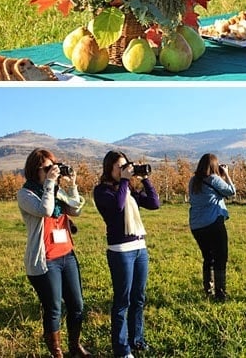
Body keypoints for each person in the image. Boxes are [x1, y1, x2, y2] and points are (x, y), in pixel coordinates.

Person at [16, 148, 91, 358]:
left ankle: (75, 346)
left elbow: (75, 209)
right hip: (45, 260)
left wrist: (72, 184)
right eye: (48, 168)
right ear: (35, 170)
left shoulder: (56, 191)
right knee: (54, 308)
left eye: (54, 167)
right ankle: (57, 353)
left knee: (77, 305)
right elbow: (45, 210)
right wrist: (49, 183)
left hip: (67, 255)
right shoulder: (25, 194)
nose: (53, 171)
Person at [93, 151, 160, 358]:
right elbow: (118, 207)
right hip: (121, 252)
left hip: (140, 248)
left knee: (138, 298)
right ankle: (122, 349)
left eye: (126, 166)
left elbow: (154, 203)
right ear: (109, 168)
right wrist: (124, 181)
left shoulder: (128, 189)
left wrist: (145, 179)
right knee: (123, 301)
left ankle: (136, 340)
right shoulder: (102, 191)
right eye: (120, 167)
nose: (124, 170)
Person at [189, 153, 236, 302]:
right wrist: (226, 174)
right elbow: (231, 191)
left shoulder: (193, 181)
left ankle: (208, 289)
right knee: (220, 257)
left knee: (207, 257)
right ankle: (220, 293)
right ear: (214, 166)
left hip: (197, 225)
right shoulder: (214, 179)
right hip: (213, 223)